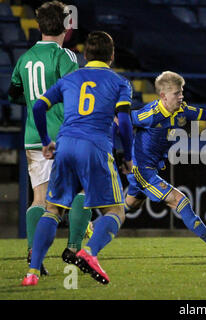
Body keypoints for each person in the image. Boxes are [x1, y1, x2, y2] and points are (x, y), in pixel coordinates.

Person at [21, 31, 134, 286]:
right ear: (112, 56)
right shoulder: (119, 83)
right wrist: (128, 156)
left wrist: (45, 140)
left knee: (53, 210)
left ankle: (32, 273)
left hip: (65, 145)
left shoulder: (70, 78)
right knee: (115, 211)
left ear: (85, 55)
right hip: (95, 147)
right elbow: (125, 122)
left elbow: (39, 106)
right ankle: (89, 251)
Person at [8, 1, 92, 275]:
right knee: (81, 192)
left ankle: (35, 252)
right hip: (63, 135)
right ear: (67, 26)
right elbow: (75, 93)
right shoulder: (64, 56)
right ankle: (75, 247)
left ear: (39, 25)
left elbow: (14, 94)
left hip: (34, 136)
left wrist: (33, 99)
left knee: (39, 199)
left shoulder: (24, 58)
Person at [122, 71, 206, 256]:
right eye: (177, 93)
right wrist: (121, 152)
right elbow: (121, 120)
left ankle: (92, 228)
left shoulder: (181, 111)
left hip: (152, 167)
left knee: (131, 204)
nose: (181, 96)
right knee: (180, 200)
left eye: (181, 91)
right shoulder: (150, 114)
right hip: (141, 170)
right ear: (163, 96)